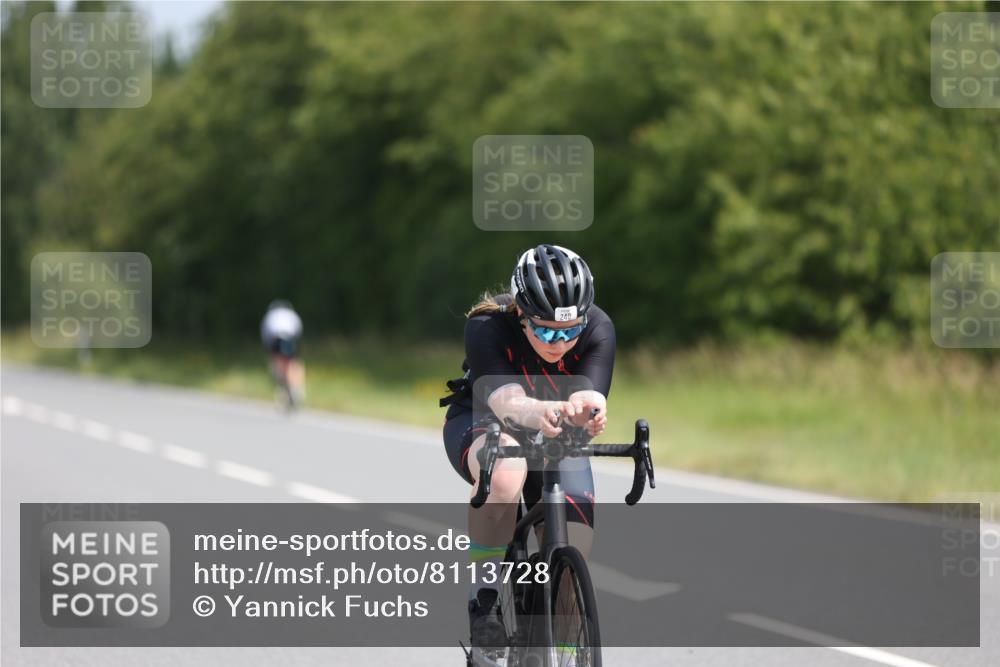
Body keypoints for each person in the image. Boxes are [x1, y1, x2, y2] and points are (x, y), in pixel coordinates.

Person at [440, 244, 615, 655]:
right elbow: (507, 402)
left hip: (556, 426)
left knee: (576, 547)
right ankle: (484, 601)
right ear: (521, 314)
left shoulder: (599, 327)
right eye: (549, 331)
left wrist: (589, 411)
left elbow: (593, 392)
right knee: (506, 472)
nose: (561, 343)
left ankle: (565, 652)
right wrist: (545, 409)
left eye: (570, 331)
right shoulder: (485, 326)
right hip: (485, 418)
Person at [260, 299, 305, 406]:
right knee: (293, 362)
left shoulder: (270, 315)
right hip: (290, 338)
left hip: (275, 339)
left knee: (275, 360)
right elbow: (298, 330)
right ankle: (296, 388)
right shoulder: (292, 314)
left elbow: (265, 335)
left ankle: (280, 383)